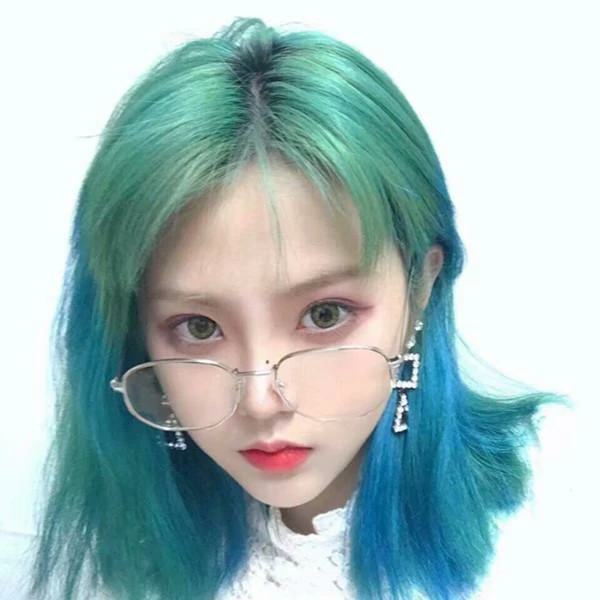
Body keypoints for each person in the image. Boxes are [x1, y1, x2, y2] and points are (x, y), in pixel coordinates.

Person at [30, 17, 560, 600]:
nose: (261, 400)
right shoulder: (129, 560)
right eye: (199, 328)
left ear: (420, 288)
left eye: (325, 315)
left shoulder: (552, 534)